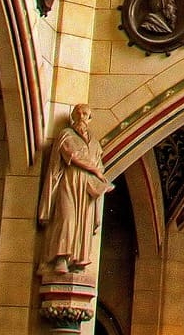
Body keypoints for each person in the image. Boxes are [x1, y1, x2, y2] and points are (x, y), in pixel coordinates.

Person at [39, 104, 109, 274]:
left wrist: (99, 177)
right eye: (78, 113)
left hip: (87, 188)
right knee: (67, 218)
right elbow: (72, 155)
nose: (81, 117)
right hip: (70, 182)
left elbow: (100, 164)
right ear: (73, 116)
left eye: (85, 114)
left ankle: (79, 260)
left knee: (84, 222)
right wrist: (95, 170)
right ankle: (60, 258)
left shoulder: (95, 143)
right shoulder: (67, 134)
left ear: (90, 118)